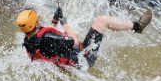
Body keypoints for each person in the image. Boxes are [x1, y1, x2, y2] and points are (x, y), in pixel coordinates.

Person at [16, 7, 153, 68]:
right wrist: (65, 23)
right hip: (84, 60)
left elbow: (48, 39)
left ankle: (123, 26)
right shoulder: (48, 39)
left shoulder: (29, 41)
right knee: (101, 20)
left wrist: (54, 21)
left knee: (88, 28)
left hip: (71, 62)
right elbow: (74, 43)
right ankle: (137, 26)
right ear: (36, 22)